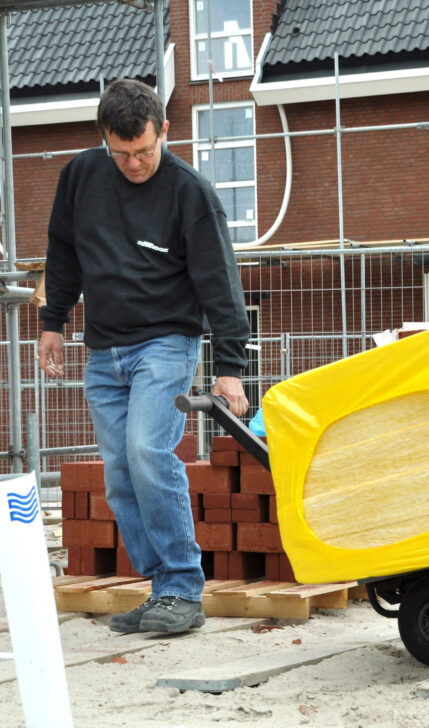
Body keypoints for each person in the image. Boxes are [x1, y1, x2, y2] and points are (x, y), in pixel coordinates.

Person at [38, 78, 250, 634]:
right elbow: (62, 250)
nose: (134, 163)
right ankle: (163, 591)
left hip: (165, 342)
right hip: (104, 350)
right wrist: (52, 322)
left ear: (166, 132)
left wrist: (229, 367)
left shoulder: (189, 192)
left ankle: (183, 586)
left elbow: (220, 282)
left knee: (148, 452)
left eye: (145, 151)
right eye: (122, 153)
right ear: (104, 140)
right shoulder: (81, 176)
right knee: (119, 474)